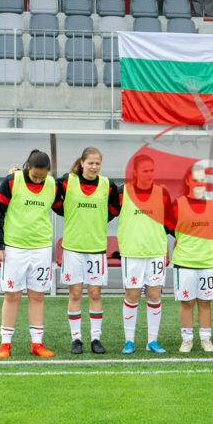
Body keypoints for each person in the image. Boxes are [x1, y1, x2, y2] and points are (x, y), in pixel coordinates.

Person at [0, 149, 58, 358]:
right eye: (35, 175)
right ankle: (5, 343)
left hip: (41, 248)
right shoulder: (11, 181)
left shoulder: (53, 184)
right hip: (14, 248)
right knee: (12, 295)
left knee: (37, 295)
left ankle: (37, 343)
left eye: (43, 176)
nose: (39, 180)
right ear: (27, 167)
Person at [57, 147, 120, 355]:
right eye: (90, 163)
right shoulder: (67, 181)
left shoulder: (107, 185)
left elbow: (114, 209)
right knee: (75, 293)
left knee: (95, 293)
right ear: (82, 163)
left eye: (97, 163)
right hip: (73, 248)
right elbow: (53, 198)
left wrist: (99, 221)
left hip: (97, 249)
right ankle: (76, 339)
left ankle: (95, 338)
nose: (94, 167)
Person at [116, 154, 174, 355]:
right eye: (145, 171)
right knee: (132, 296)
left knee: (154, 294)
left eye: (152, 170)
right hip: (132, 253)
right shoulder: (123, 192)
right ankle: (129, 341)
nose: (150, 174)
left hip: (156, 252)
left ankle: (152, 341)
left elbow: (169, 222)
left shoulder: (163, 192)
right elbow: (106, 213)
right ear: (135, 172)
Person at [172, 164, 213, 352]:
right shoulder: (177, 204)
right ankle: (187, 339)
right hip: (184, 262)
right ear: (188, 181)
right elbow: (169, 228)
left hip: (207, 261)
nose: (200, 183)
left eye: (203, 179)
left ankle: (205, 339)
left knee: (205, 302)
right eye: (196, 179)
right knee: (187, 302)